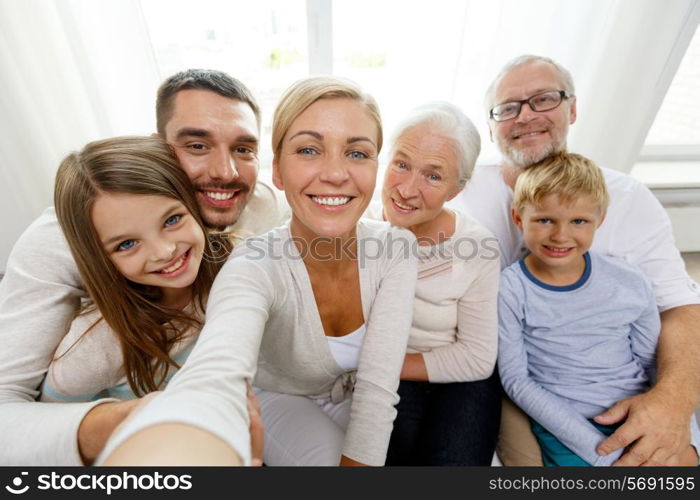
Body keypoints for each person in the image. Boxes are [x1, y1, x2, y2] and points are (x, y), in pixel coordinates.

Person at [99, 76, 418, 467]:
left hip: (349, 393)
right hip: (280, 402)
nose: (336, 174)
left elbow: (378, 385)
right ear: (278, 171)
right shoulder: (253, 265)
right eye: (308, 149)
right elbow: (216, 371)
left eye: (357, 154)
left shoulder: (397, 247)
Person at [0, 70, 288, 465]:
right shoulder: (57, 244)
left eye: (243, 148)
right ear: (158, 151)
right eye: (198, 144)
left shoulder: (261, 205)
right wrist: (137, 419)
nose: (227, 172)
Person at [449, 54, 700, 466]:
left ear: (573, 108)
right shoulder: (461, 191)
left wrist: (671, 402)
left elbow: (678, 307)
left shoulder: (628, 199)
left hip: (615, 382)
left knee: (671, 463)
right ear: (491, 126)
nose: (526, 116)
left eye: (544, 99)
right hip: (523, 381)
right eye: (508, 108)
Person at [498, 152, 699, 466]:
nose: (560, 235)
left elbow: (654, 365)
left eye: (578, 221)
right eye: (544, 220)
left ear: (599, 221)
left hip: (636, 410)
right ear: (519, 219)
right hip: (568, 426)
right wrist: (601, 453)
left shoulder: (631, 282)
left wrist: (687, 441)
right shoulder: (509, 288)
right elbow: (516, 381)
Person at [365, 102, 500, 465]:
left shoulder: (478, 248)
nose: (407, 189)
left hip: (458, 379)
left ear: (457, 190)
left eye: (433, 176)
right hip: (391, 378)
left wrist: (376, 364)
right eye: (402, 164)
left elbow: (477, 359)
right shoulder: (352, 224)